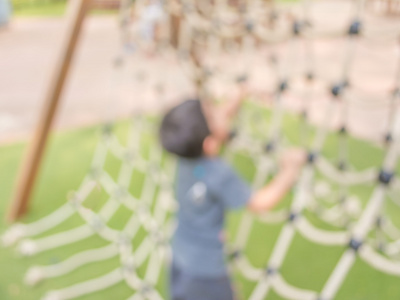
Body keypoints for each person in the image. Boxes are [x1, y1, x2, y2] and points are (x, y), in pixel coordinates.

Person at [159, 85, 305, 300]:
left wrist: (238, 97)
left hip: (180, 259)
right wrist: (289, 171)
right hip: (206, 272)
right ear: (209, 143)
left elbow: (215, 126)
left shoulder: (185, 155)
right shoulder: (218, 173)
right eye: (213, 113)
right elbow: (259, 202)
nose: (221, 112)